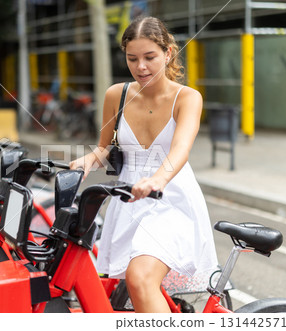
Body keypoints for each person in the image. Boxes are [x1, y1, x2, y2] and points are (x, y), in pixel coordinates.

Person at [70, 16, 218, 313]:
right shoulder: (117, 95)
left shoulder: (187, 98)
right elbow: (104, 147)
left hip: (171, 199)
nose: (141, 67)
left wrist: (158, 180)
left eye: (150, 57)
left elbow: (180, 150)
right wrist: (88, 159)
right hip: (129, 199)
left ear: (168, 53)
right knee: (130, 288)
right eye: (132, 59)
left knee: (139, 278)